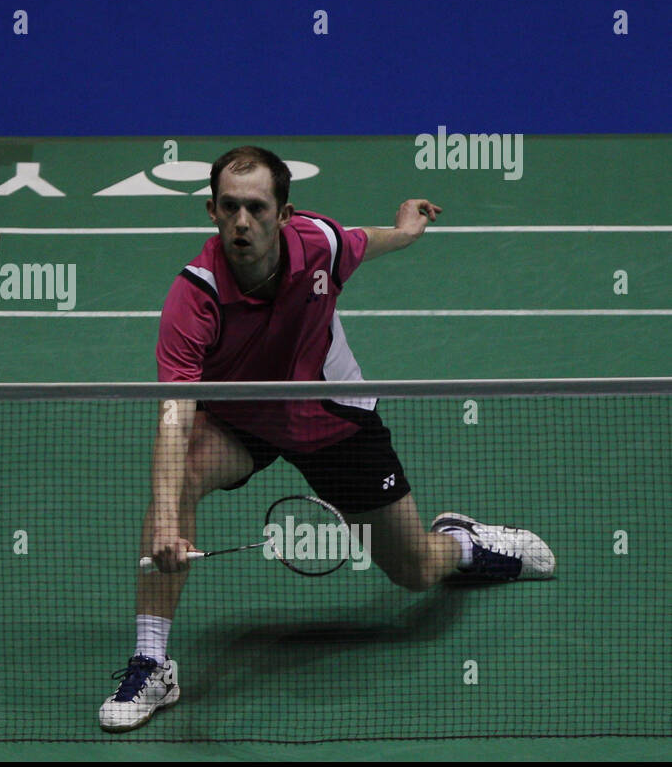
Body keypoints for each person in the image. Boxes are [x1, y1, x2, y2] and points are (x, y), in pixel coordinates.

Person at [98, 146, 554, 733]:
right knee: (180, 477)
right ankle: (151, 661)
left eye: (257, 208)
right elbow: (174, 413)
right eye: (230, 207)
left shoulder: (321, 245)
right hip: (243, 417)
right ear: (211, 210)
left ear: (285, 214)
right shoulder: (195, 295)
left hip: (330, 418)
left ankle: (464, 544)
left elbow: (364, 239)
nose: (243, 222)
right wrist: (165, 518)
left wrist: (407, 230)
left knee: (413, 569)